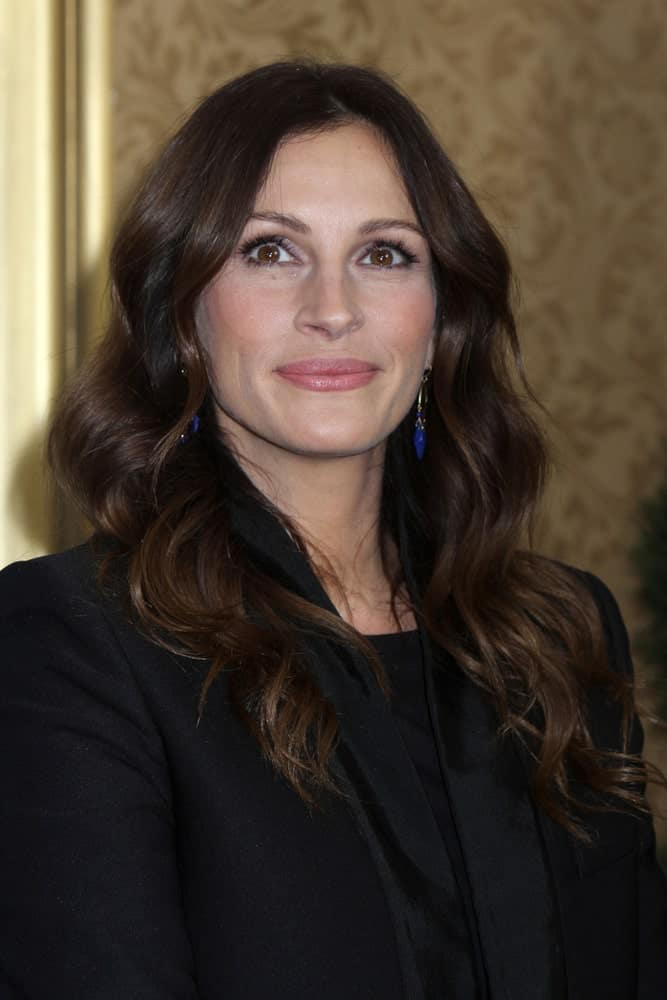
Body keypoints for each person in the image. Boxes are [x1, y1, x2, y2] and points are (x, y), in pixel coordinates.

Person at [0, 60, 665, 1000]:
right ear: (183, 309)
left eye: (384, 253)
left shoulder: (560, 635)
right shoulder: (67, 642)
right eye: (270, 251)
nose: (332, 310)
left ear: (439, 321)